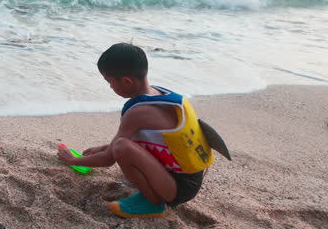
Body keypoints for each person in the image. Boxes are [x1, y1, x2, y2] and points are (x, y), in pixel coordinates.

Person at [56, 43, 214, 218]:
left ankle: (153, 202)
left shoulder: (137, 112)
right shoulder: (161, 95)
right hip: (189, 179)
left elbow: (109, 158)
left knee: (121, 147)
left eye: (109, 82)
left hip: (177, 189)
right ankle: (155, 191)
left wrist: (73, 159)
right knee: (119, 145)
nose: (110, 87)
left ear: (127, 81)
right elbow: (159, 141)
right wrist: (105, 147)